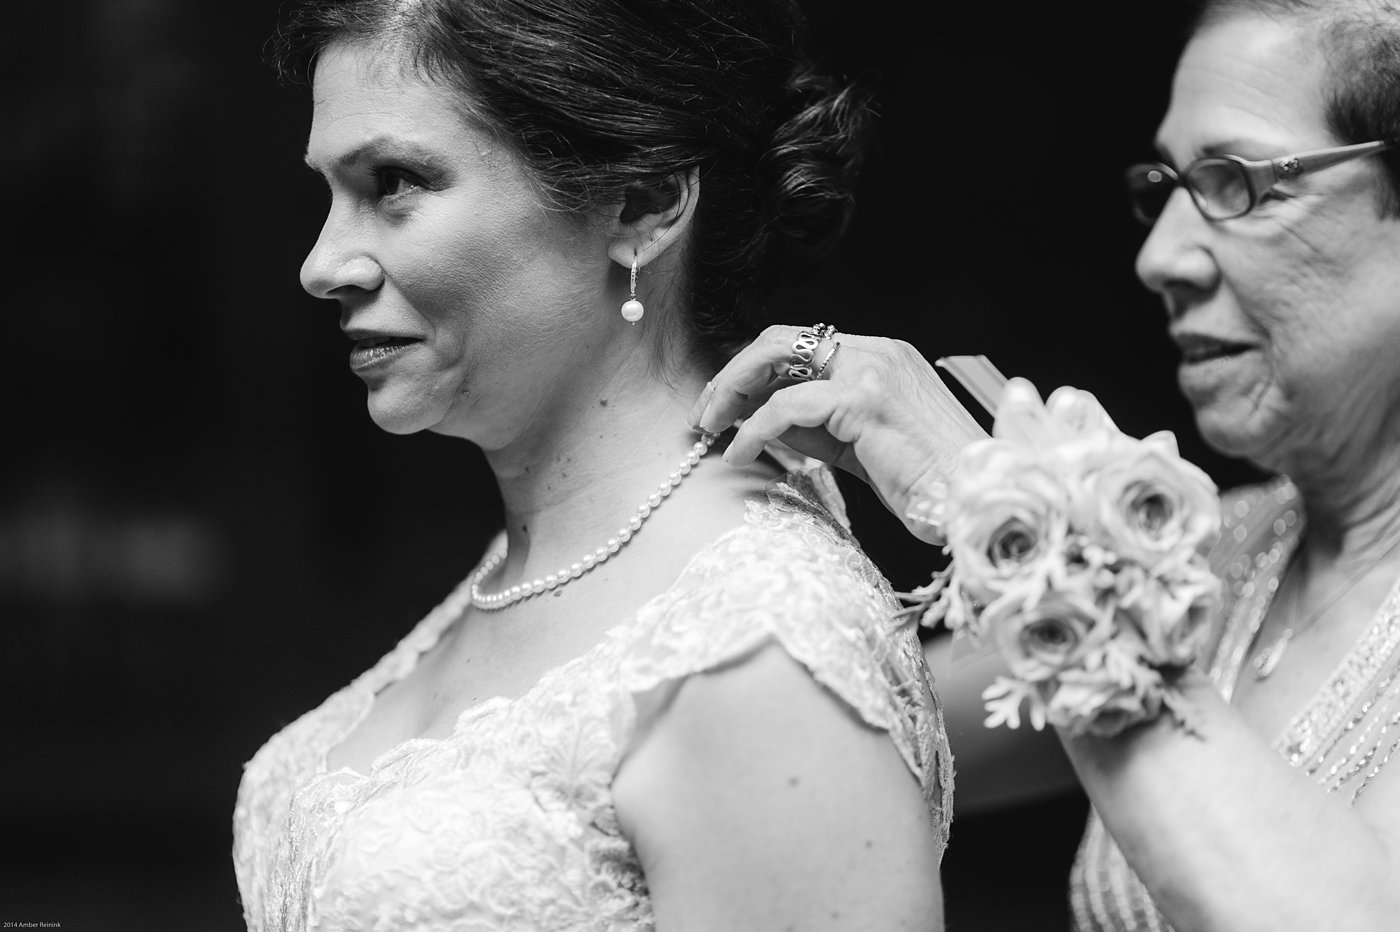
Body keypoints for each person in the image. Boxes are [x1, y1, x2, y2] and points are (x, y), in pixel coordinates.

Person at [231, 1, 951, 929]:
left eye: (395, 181)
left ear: (643, 203)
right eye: (328, 193)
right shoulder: (528, 567)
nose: (323, 264)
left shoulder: (758, 640)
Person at [694, 0, 1400, 929]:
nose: (1160, 256)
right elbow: (803, 755)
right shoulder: (1214, 554)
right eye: (1170, 188)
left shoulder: (1133, 563)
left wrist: (995, 508)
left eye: (1236, 183)